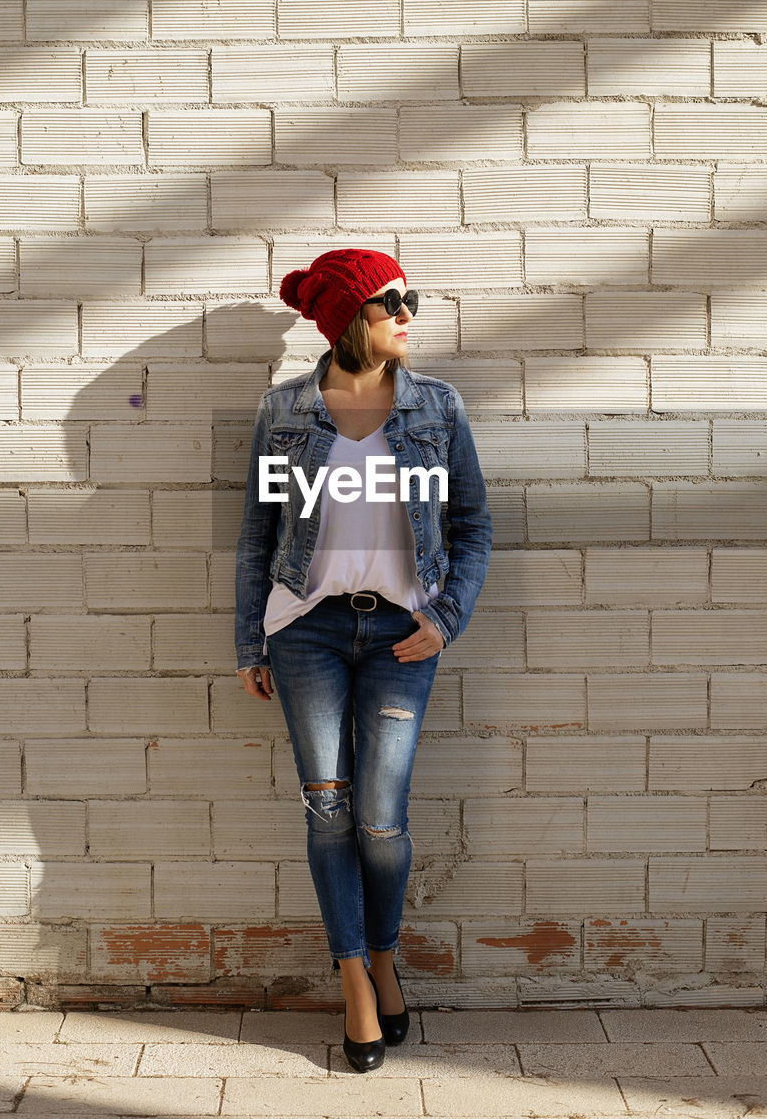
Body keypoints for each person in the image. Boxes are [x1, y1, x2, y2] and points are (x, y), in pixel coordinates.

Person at [234, 247, 492, 1072]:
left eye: (409, 297)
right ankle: (354, 977)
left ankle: (383, 952)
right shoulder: (283, 413)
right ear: (351, 319)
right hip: (304, 632)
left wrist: (445, 619)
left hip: (400, 635)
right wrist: (250, 640)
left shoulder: (437, 411)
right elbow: (259, 537)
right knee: (328, 810)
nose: (409, 312)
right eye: (392, 302)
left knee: (381, 819)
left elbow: (472, 528)